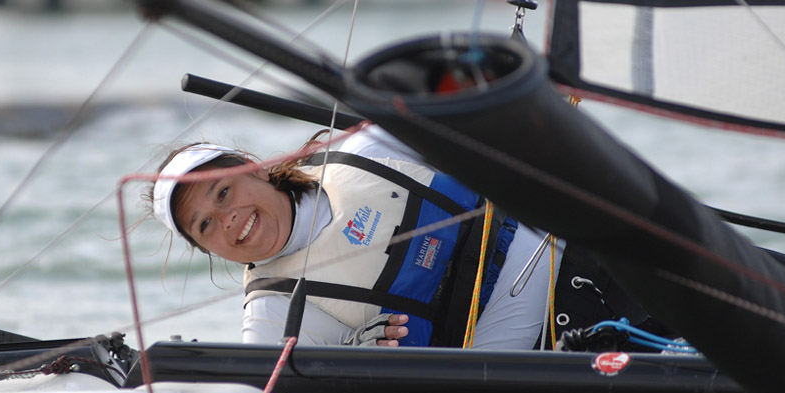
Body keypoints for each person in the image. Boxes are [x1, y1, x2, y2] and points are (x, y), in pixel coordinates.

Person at [149, 124, 662, 349]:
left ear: (254, 169)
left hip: (595, 264)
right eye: (205, 227)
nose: (228, 220)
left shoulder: (361, 148)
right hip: (561, 358)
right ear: (207, 250)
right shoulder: (271, 318)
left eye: (221, 193)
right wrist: (348, 361)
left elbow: (458, 114)